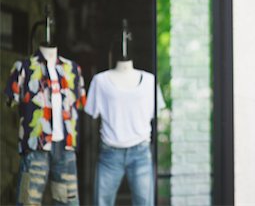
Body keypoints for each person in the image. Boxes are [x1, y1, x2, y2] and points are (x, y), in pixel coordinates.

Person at [4, 45, 86, 205]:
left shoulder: (73, 68)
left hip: (65, 149)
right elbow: (10, 100)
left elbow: (79, 103)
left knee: (67, 203)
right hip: (35, 148)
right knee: (28, 201)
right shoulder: (24, 67)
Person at [85, 59, 155, 206]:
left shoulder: (150, 81)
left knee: (145, 202)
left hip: (140, 152)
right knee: (101, 202)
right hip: (110, 152)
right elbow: (90, 113)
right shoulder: (100, 81)